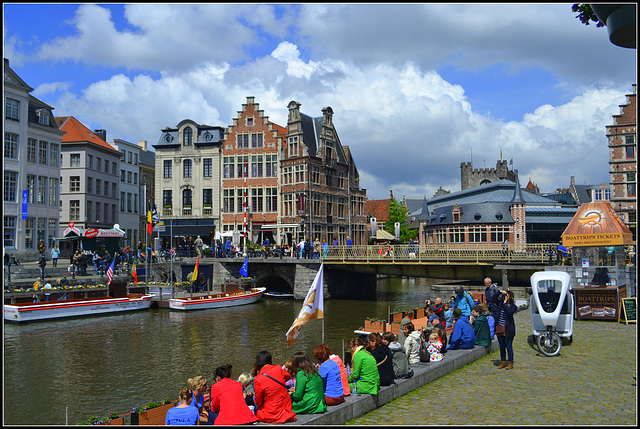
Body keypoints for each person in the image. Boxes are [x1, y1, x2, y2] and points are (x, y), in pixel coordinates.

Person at [251, 350, 296, 423]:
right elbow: (288, 377)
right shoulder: (278, 368)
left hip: (271, 414)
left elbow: (258, 402)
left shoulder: (258, 379)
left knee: (255, 400)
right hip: (286, 410)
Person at [493, 289, 518, 370]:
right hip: (500, 328)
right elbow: (493, 298)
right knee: (502, 346)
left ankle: (510, 362)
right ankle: (503, 361)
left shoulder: (513, 307)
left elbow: (509, 312)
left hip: (508, 329)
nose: (505, 297)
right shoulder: (500, 304)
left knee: (509, 346)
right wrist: (499, 292)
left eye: (507, 296)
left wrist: (505, 303)